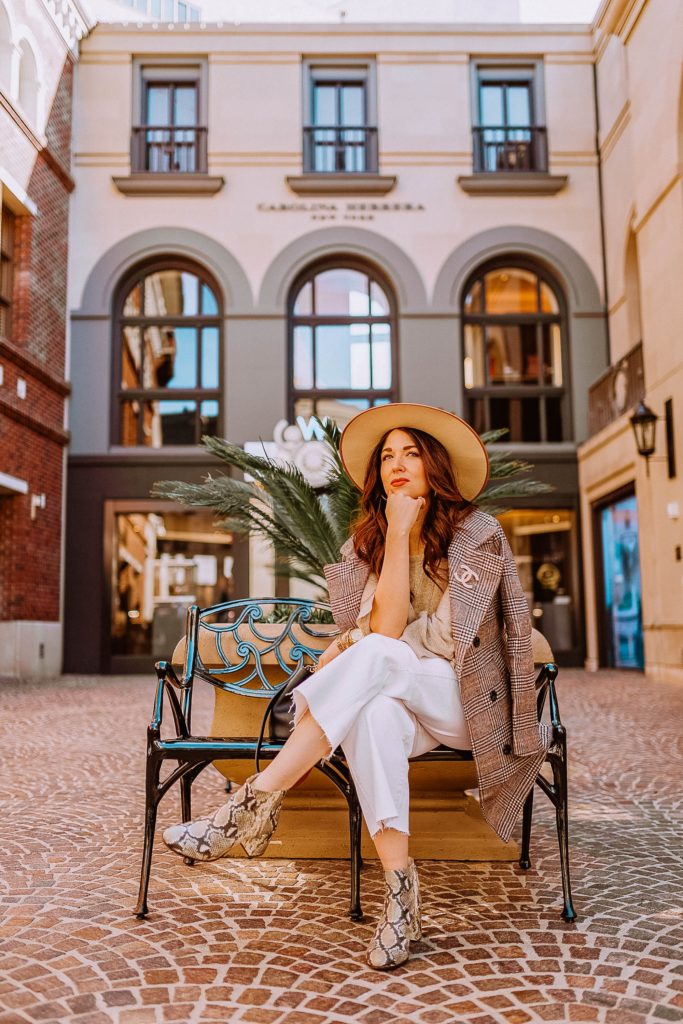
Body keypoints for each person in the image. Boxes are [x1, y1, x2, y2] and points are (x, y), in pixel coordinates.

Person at [162, 402, 553, 970]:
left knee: (377, 652)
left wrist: (368, 640)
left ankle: (255, 801)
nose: (397, 464)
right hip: (398, 694)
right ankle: (401, 899)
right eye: (386, 456)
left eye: (410, 453)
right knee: (372, 717)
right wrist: (396, 536)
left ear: (434, 464)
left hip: (465, 705)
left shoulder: (477, 533)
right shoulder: (370, 543)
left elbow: (431, 640)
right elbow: (386, 631)